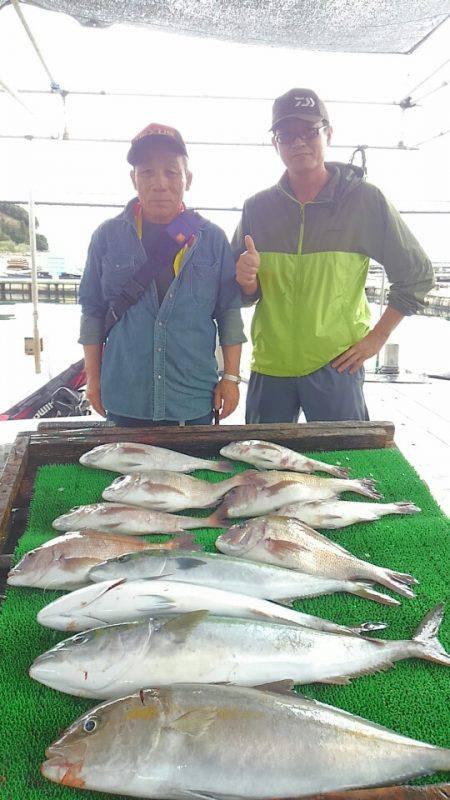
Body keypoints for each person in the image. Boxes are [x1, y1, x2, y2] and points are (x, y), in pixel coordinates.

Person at [233, 88, 435, 423]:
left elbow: (416, 274)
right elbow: (241, 294)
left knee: (345, 464)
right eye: (286, 135)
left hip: (337, 364)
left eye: (309, 131)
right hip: (270, 366)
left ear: (328, 133)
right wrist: (245, 280)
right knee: (262, 465)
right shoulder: (257, 207)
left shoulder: (365, 201)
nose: (298, 142)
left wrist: (377, 338)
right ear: (275, 144)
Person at [79, 123, 245, 427]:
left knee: (194, 475)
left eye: (171, 172)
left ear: (188, 179)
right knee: (125, 477)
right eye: (147, 173)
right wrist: (93, 380)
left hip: (192, 400)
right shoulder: (107, 236)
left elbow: (229, 312)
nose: (159, 183)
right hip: (124, 398)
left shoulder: (212, 239)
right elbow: (92, 310)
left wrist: (231, 378)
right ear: (133, 179)